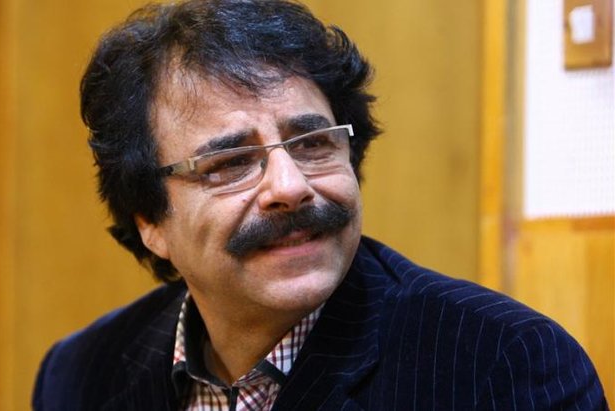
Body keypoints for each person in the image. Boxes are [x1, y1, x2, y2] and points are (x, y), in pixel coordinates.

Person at [32, 0, 608, 410]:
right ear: (150, 221)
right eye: (231, 162)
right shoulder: (80, 375)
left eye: (311, 144)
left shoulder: (502, 363)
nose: (289, 186)